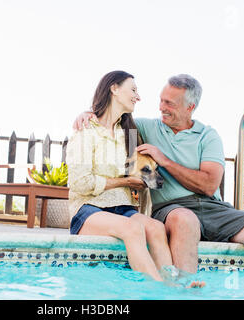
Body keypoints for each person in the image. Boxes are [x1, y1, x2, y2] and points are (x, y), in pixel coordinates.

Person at [73, 73, 244, 279]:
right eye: (161, 101)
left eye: (170, 104)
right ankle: (184, 292)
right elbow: (110, 119)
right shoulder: (144, 127)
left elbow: (208, 185)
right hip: (173, 209)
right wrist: (89, 113)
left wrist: (165, 160)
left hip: (213, 207)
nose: (162, 108)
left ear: (190, 107)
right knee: (184, 219)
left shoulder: (207, 136)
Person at [66, 70, 204, 287]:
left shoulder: (129, 133)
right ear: (114, 88)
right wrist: (124, 182)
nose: (138, 97)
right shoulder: (86, 130)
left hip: (123, 208)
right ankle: (164, 289)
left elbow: (151, 181)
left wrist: (148, 172)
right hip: (88, 208)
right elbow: (80, 184)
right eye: (133, 90)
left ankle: (172, 282)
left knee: (156, 228)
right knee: (132, 229)